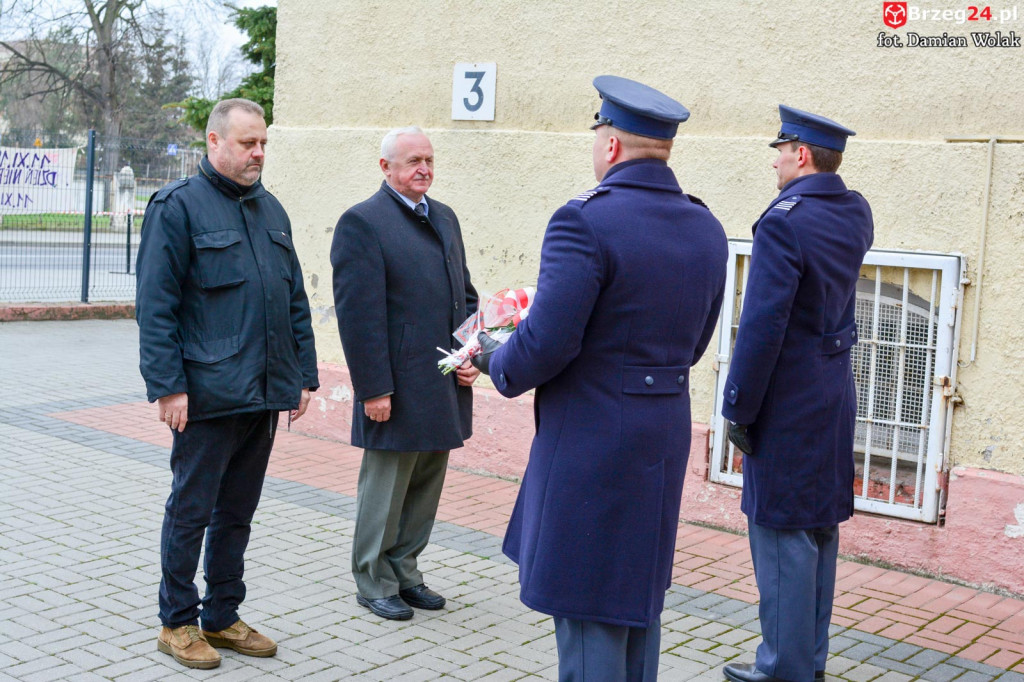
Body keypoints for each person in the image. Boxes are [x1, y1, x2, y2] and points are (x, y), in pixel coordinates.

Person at [472, 76, 728, 681]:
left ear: (609, 145)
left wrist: (493, 359)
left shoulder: (583, 221)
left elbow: (549, 344)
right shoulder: (705, 226)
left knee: (588, 610)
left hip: (593, 439)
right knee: (636, 603)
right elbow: (694, 344)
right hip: (661, 429)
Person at [135, 98, 319, 669]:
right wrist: (168, 387)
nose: (258, 153)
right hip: (205, 397)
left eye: (263, 142)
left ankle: (221, 616)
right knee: (192, 510)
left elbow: (294, 301)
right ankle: (176, 622)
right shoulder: (177, 208)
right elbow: (156, 306)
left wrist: (304, 375)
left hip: (261, 394)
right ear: (214, 143)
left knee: (237, 513)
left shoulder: (273, 211)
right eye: (247, 143)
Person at [720, 106, 874, 682]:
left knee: (782, 534)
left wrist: (739, 405)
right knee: (817, 531)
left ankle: (782, 668)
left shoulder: (784, 220)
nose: (776, 161)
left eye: (779, 151)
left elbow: (763, 326)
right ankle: (807, 662)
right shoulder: (855, 210)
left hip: (786, 400)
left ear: (801, 155)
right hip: (833, 390)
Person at [331, 126, 479, 621]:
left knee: (425, 485)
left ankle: (406, 571)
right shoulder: (363, 222)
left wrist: (472, 354)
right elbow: (359, 316)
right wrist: (373, 388)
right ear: (385, 167)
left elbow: (467, 296)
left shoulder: (445, 217)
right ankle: (372, 579)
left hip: (441, 381)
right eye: (413, 160)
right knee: (386, 486)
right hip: (393, 385)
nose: (424, 169)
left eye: (430, 160)